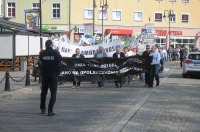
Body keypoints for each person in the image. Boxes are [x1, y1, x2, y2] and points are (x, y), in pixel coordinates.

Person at [39, 40, 62, 116]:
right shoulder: (55, 52)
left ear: (45, 45)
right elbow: (59, 60)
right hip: (53, 74)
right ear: (51, 45)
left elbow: (40, 61)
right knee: (53, 93)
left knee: (43, 92)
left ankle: (42, 109)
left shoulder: (42, 53)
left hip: (45, 74)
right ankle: (50, 110)